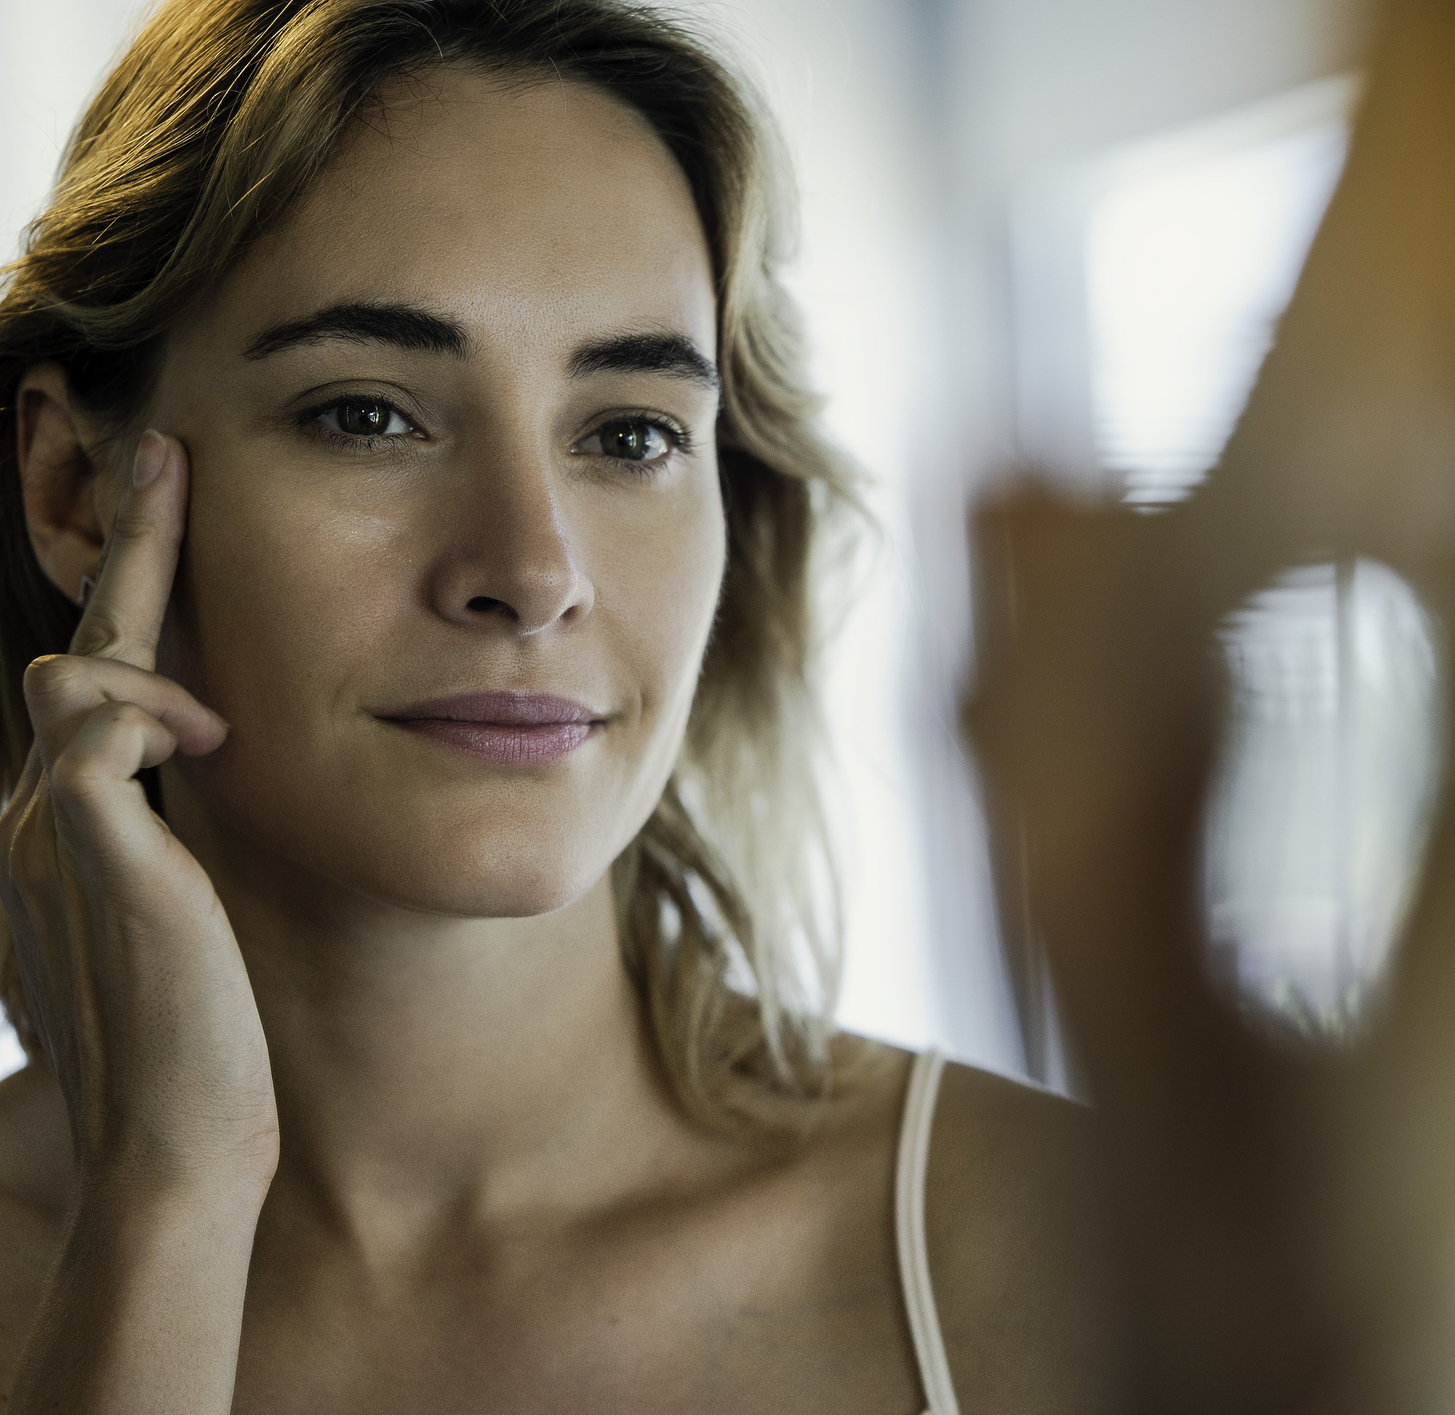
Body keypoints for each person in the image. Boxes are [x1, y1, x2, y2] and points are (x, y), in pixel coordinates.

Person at [0, 2, 1108, 1410]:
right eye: (368, 415)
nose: (529, 573)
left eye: (630, 433)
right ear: (74, 496)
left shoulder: (1078, 1268)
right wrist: (167, 1202)